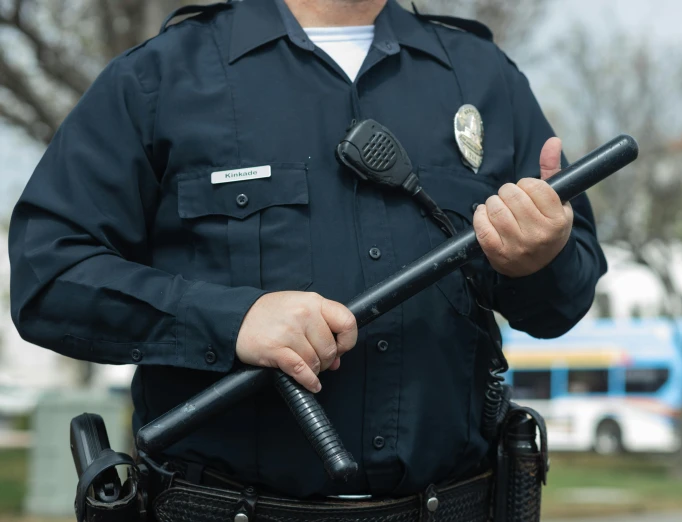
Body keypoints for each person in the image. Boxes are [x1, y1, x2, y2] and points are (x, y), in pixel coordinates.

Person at [9, 0, 606, 511]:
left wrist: (540, 258)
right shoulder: (161, 78)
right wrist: (231, 320)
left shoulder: (482, 77)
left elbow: (565, 298)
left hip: (454, 504)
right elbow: (49, 273)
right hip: (222, 505)